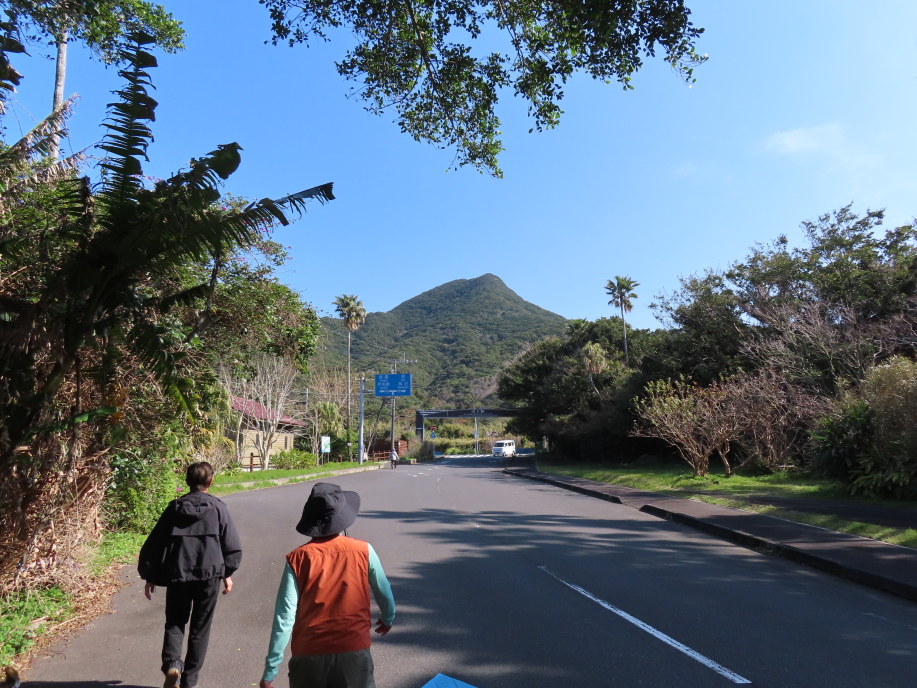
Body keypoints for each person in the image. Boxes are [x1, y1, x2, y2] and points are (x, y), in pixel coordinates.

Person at [259, 482, 396, 688]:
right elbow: (383, 591)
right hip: (354, 652)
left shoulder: (297, 559)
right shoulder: (364, 551)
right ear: (343, 518)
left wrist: (271, 670)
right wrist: (387, 618)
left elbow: (284, 617)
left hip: (308, 656)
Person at [138, 461, 242, 688]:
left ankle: (173, 664)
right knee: (200, 628)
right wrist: (227, 572)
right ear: (210, 482)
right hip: (209, 577)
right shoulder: (218, 508)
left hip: (178, 574)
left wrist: (150, 575)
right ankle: (190, 681)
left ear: (187, 481)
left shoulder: (174, 509)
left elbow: (155, 544)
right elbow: (232, 544)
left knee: (175, 621)